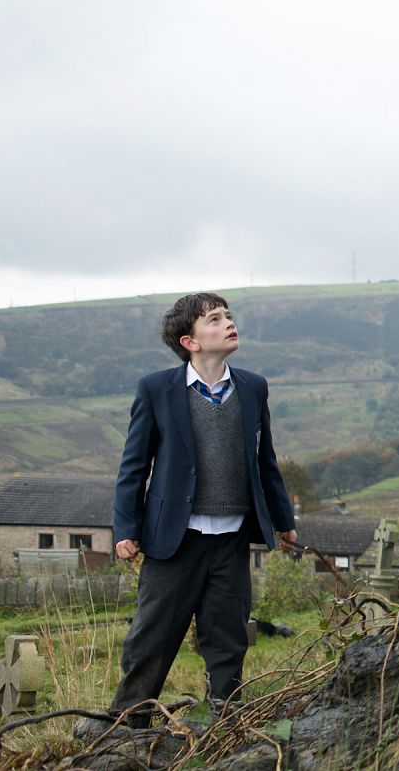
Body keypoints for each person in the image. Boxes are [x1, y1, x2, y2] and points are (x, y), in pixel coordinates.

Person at [87, 293, 298, 732]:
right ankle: (128, 722)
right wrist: (125, 527)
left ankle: (223, 719)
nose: (228, 323)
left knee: (227, 634)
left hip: (232, 536)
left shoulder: (253, 387)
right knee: (153, 634)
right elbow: (134, 465)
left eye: (229, 316)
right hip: (173, 538)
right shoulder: (156, 389)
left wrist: (283, 521)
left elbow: (266, 461)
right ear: (190, 341)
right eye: (215, 319)